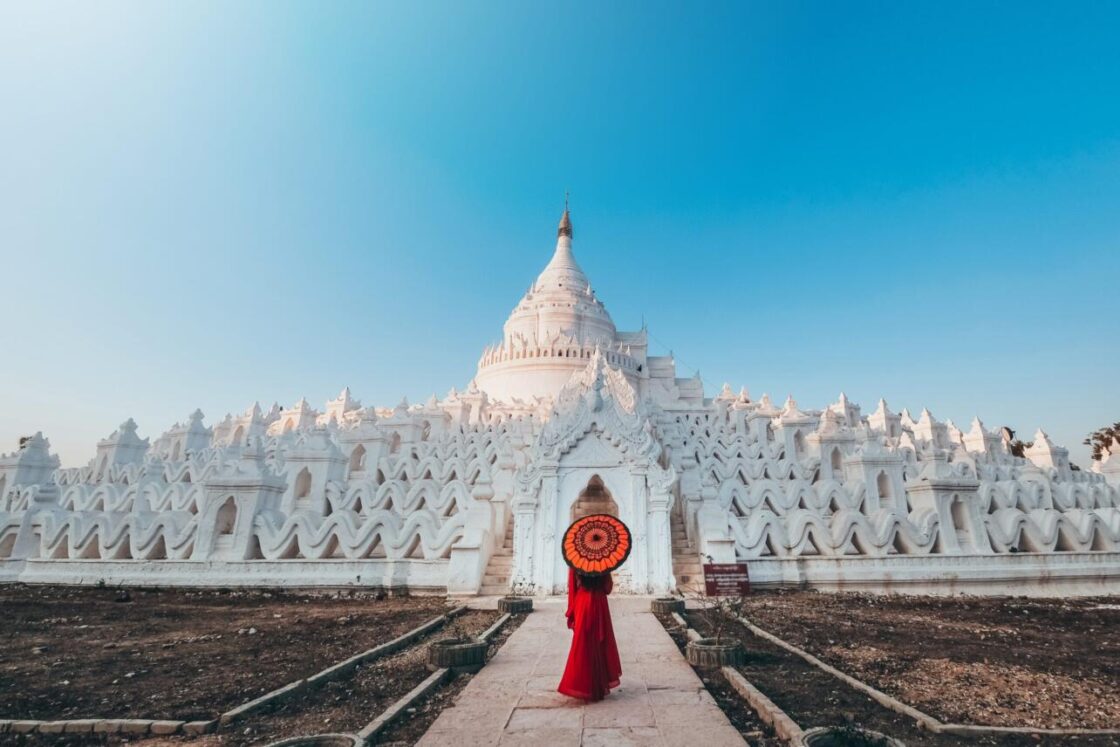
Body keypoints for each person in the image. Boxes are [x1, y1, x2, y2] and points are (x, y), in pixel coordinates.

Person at [557, 566, 622, 701]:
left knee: (583, 645)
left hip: (583, 603)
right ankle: (598, 686)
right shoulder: (603, 561)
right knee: (599, 643)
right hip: (599, 603)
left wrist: (571, 612)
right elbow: (608, 588)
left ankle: (582, 686)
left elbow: (573, 588)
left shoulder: (575, 562)